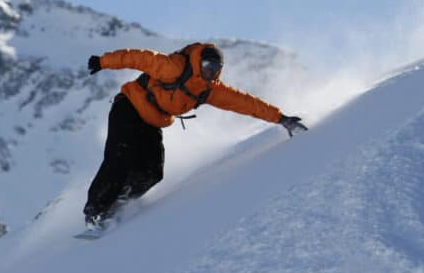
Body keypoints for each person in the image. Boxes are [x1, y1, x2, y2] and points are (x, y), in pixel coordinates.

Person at [83, 42, 307, 228]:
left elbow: (245, 103)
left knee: (152, 172)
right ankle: (95, 212)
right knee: (120, 156)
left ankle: (120, 201)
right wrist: (103, 62)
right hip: (129, 107)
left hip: (152, 121)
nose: (210, 72)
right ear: (199, 62)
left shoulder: (209, 89)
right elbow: (138, 58)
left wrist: (281, 118)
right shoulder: (174, 68)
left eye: (215, 69)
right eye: (208, 66)